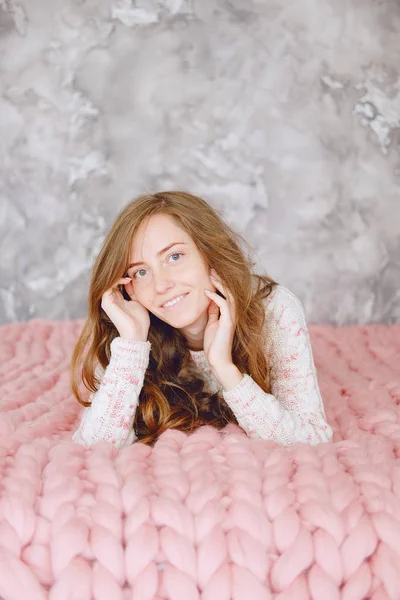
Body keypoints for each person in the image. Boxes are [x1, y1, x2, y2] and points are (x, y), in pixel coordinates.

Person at [71, 191, 333, 448]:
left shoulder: (274, 310)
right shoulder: (128, 326)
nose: (161, 285)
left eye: (174, 257)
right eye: (141, 272)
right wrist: (131, 345)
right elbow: (96, 446)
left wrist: (225, 369)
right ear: (127, 286)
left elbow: (312, 440)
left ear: (210, 254)